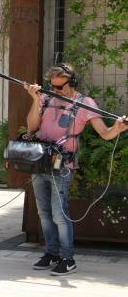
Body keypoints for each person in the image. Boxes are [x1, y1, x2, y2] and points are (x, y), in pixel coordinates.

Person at [24, 63, 128, 276]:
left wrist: (117, 128)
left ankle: (67, 258)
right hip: (39, 161)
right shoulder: (45, 98)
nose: (55, 91)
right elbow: (31, 127)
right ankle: (51, 253)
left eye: (60, 87)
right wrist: (35, 100)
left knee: (59, 214)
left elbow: (105, 134)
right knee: (44, 212)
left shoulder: (84, 103)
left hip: (62, 165)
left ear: (72, 83)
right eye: (52, 86)